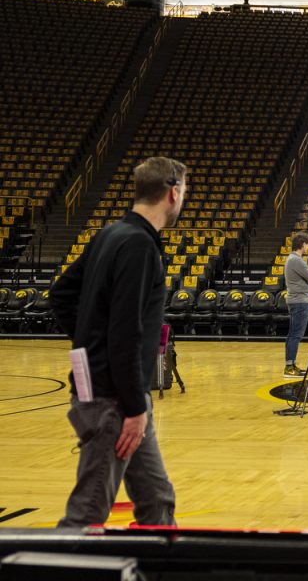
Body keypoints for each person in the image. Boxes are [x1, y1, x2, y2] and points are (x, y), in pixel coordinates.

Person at [50, 156, 187, 528]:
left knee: (157, 501)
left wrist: (88, 342)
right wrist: (133, 407)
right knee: (88, 512)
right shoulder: (139, 246)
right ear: (172, 193)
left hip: (115, 390)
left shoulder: (109, 234)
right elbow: (126, 333)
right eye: (184, 192)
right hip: (116, 398)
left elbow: (60, 296)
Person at [284, 231, 308, 376]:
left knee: (294, 334)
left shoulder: (292, 259)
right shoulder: (297, 260)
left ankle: (291, 364)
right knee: (295, 335)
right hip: (300, 301)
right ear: (303, 244)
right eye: (307, 244)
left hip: (297, 300)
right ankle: (289, 366)